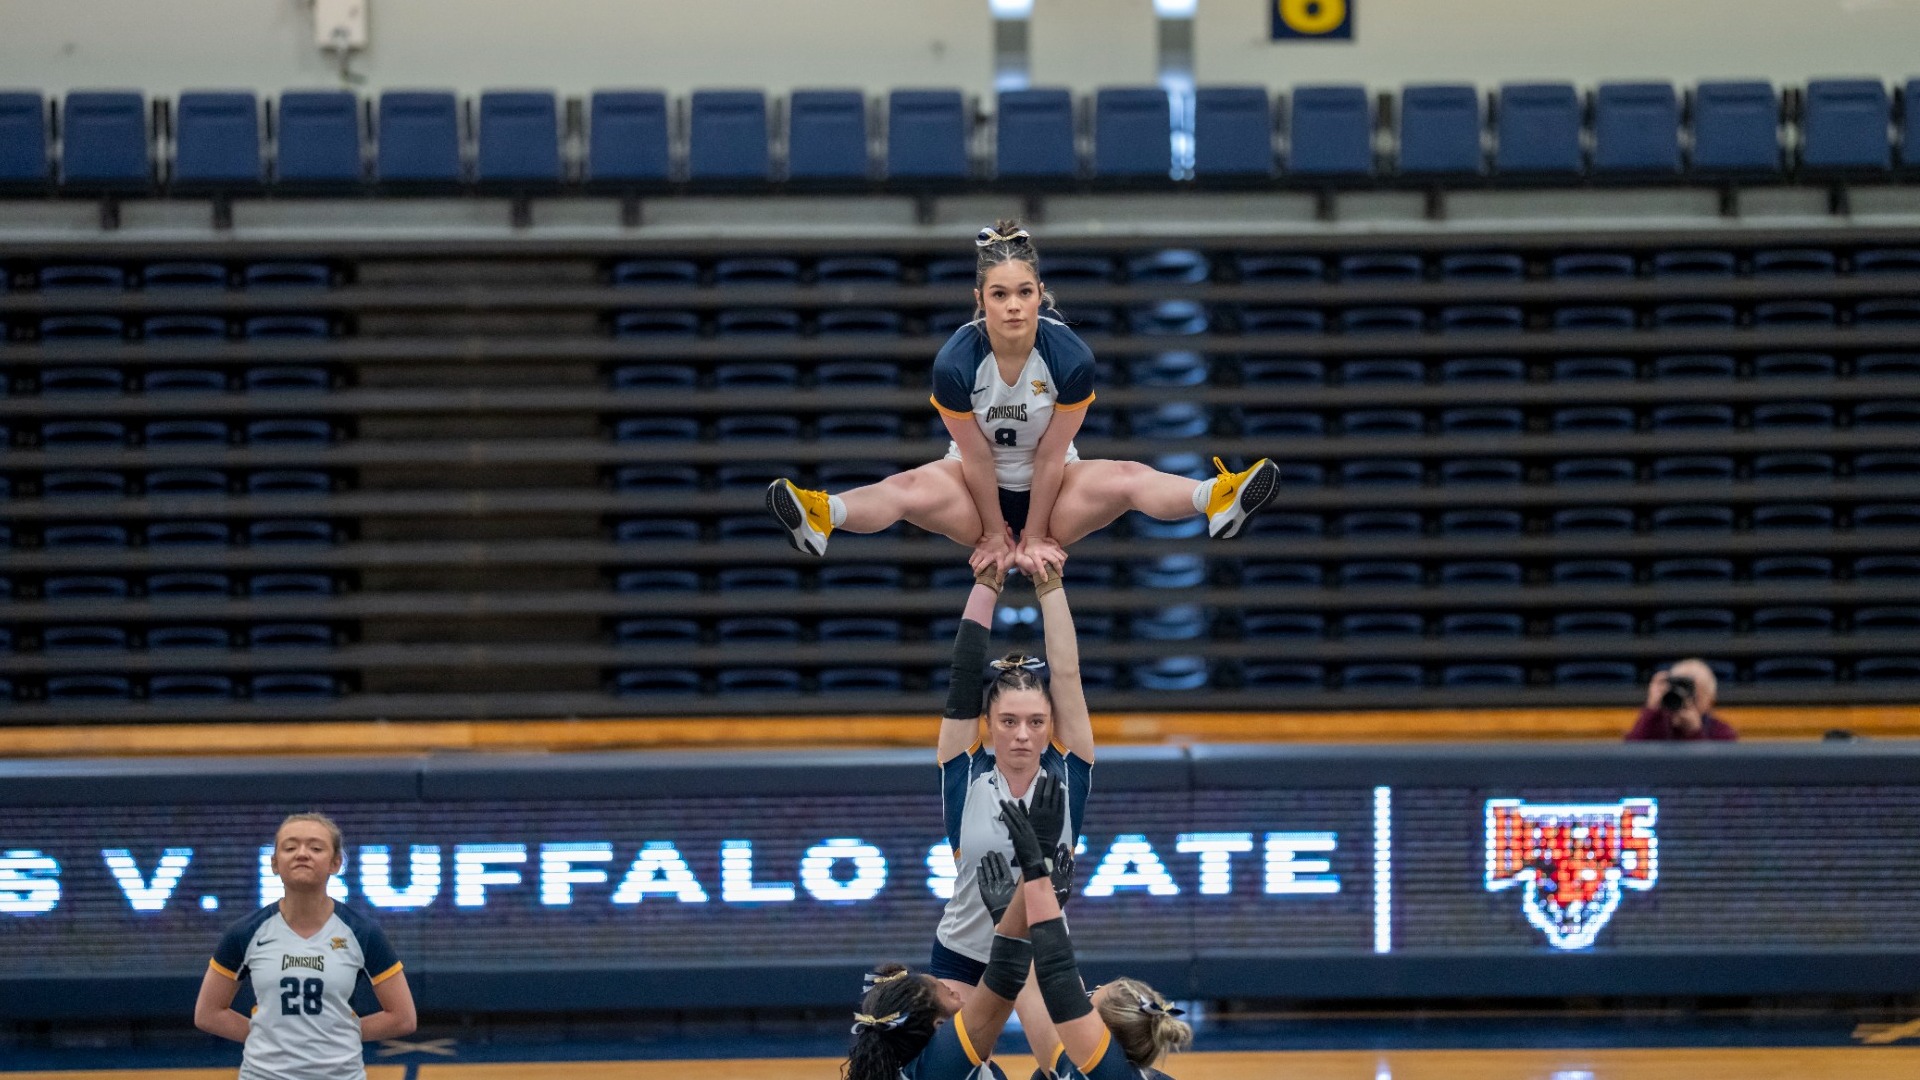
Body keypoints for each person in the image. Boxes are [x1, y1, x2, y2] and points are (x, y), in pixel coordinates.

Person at [767, 220, 1282, 569]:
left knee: (1127, 477)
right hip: (971, 490)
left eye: (1023, 292)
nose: (1013, 305)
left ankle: (1216, 497)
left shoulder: (1070, 357)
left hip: (1055, 491)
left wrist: (1035, 534)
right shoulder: (956, 362)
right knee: (905, 488)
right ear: (979, 300)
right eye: (999, 294)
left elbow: (1054, 453)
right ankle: (823, 513)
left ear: (1040, 293)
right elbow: (973, 456)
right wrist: (993, 533)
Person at [930, 556, 1091, 1072]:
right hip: (963, 952)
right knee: (957, 1073)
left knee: (1068, 1069)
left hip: (1041, 953)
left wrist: (1049, 583)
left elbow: (1066, 672)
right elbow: (961, 676)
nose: (1022, 733)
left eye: (1036, 721)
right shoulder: (965, 772)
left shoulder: (1070, 772)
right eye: (1008, 721)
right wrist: (986, 584)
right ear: (988, 723)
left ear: (1050, 724)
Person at [194, 813, 417, 1079]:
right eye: (290, 847)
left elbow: (403, 1018)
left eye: (315, 847)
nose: (302, 854)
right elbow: (208, 1013)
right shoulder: (246, 932)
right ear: (275, 863)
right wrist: (271, 1037)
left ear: (335, 863)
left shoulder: (362, 932)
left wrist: (334, 1035)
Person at [1001, 774, 1193, 1080]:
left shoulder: (1084, 1068)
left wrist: (1034, 876)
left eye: (1089, 1001)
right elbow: (1044, 980)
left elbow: (1049, 978)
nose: (1085, 994)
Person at [844, 852, 1035, 1080]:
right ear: (939, 1025)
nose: (956, 991)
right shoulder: (942, 1063)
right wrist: (1036, 869)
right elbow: (1005, 975)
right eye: (950, 993)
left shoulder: (914, 1067)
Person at [1626, 658, 1738, 741]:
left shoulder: (1722, 733)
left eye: (1693, 695)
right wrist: (1651, 708)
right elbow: (1629, 759)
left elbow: (1712, 770)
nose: (1686, 700)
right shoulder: (1654, 724)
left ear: (1710, 700)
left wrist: (1694, 732)